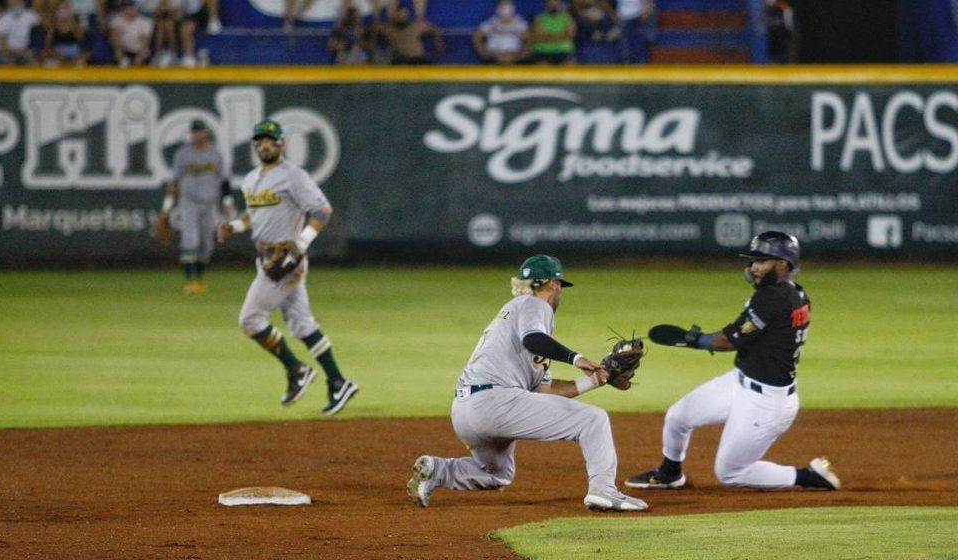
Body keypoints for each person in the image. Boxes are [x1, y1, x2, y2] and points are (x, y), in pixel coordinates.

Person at [405, 255, 648, 512]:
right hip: (495, 402)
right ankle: (603, 490)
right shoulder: (533, 305)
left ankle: (437, 471)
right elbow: (534, 339)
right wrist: (575, 358)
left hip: (465, 411)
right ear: (554, 284)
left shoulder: (514, 316)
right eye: (559, 287)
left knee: (497, 474)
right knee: (593, 420)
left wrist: (597, 379)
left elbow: (545, 390)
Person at [625, 231, 841, 492]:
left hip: (766, 403)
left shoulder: (772, 298)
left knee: (730, 473)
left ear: (783, 264)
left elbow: (730, 340)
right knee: (678, 417)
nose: (754, 268)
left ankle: (808, 476)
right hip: (740, 383)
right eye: (753, 261)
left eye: (762, 261)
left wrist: (689, 338)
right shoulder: (795, 293)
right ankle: (670, 473)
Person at [218, 119, 359, 416]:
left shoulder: (293, 176)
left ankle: (297, 370)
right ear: (255, 146)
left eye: (270, 139)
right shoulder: (251, 179)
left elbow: (322, 209)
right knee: (303, 324)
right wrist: (233, 225)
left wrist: (302, 242)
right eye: (260, 140)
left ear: (281, 144)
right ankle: (338, 381)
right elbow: (252, 216)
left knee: (250, 320)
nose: (265, 144)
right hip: (265, 258)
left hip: (286, 260)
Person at [158, 119, 233, 294]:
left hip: (210, 202)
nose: (198, 135)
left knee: (207, 244)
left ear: (206, 133)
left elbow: (224, 180)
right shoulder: (183, 154)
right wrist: (166, 208)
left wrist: (227, 202)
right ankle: (190, 281)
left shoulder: (215, 154)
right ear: (191, 133)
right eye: (195, 132)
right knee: (190, 239)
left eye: (200, 131)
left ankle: (198, 279)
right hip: (189, 201)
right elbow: (174, 183)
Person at [377, 6, 443, 64]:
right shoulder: (387, 28)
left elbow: (435, 28)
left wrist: (438, 42)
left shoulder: (415, 27)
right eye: (400, 15)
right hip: (401, 60)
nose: (402, 17)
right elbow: (372, 29)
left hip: (418, 60)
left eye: (404, 15)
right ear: (394, 16)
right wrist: (372, 41)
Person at [472, 0, 529, 64]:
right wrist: (483, 51)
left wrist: (523, 53)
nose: (506, 9)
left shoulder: (519, 23)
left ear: (513, 8)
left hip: (514, 57)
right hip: (494, 57)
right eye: (502, 6)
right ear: (497, 8)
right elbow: (477, 35)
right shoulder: (491, 22)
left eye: (508, 6)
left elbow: (529, 38)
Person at [42, 1, 92, 66]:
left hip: (74, 52)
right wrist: (54, 53)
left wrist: (73, 25)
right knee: (47, 60)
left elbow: (82, 39)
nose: (63, 11)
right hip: (58, 52)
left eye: (65, 8)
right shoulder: (52, 25)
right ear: (57, 11)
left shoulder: (74, 23)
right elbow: (47, 44)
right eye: (61, 9)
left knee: (83, 60)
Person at [0, 0, 42, 65]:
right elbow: (3, 46)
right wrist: (18, 53)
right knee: (9, 63)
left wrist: (30, 51)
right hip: (6, 53)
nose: (15, 2)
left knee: (35, 63)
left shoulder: (33, 16)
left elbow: (38, 37)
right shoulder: (2, 19)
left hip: (25, 52)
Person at [528, 0, 576, 65]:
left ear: (559, 5)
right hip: (542, 51)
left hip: (563, 51)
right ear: (546, 5)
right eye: (551, 4)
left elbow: (570, 35)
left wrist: (548, 36)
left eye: (555, 4)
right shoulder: (539, 18)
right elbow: (538, 36)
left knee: (569, 67)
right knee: (542, 68)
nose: (553, 6)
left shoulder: (567, 18)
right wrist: (560, 36)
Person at [110, 0, 153, 66]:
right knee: (118, 55)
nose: (129, 10)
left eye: (131, 8)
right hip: (124, 50)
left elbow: (145, 43)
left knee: (139, 61)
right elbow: (115, 37)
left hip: (139, 51)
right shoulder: (117, 20)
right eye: (126, 8)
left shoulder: (145, 22)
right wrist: (118, 51)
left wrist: (139, 56)